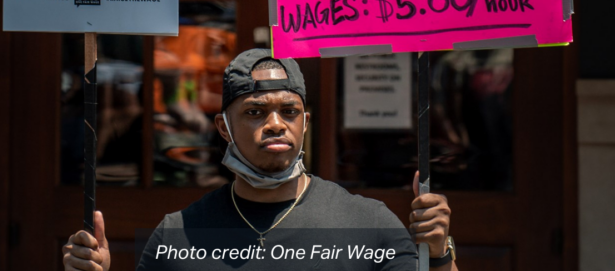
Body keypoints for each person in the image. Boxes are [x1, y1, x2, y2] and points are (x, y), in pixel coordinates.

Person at [62, 49, 458, 270]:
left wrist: (439, 254)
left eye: (289, 111)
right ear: (223, 127)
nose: (275, 124)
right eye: (254, 112)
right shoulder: (178, 236)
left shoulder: (369, 226)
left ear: (306, 122)